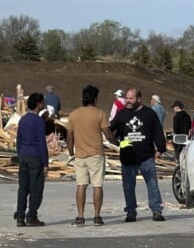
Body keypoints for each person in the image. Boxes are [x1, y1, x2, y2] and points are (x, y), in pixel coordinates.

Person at [110, 88, 167, 222]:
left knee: (152, 184)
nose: (127, 101)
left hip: (146, 156)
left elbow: (158, 131)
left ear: (139, 99)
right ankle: (131, 212)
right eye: (127, 98)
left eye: (131, 98)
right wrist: (114, 141)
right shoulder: (122, 114)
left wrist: (161, 148)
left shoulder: (149, 114)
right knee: (128, 186)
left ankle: (156, 210)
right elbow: (111, 130)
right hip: (128, 156)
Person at [66, 85, 115, 227]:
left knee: (81, 185)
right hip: (96, 154)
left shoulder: (74, 114)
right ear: (95, 98)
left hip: (80, 155)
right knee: (97, 185)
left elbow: (69, 137)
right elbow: (108, 135)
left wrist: (71, 152)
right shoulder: (100, 114)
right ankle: (97, 216)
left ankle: (80, 216)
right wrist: (120, 143)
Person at [14, 92, 49, 227]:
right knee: (36, 187)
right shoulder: (39, 121)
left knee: (23, 187)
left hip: (24, 155)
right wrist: (45, 163)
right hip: (35, 156)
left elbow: (19, 139)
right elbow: (41, 143)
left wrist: (20, 154)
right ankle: (31, 216)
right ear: (39, 104)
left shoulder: (23, 119)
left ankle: (20, 216)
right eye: (42, 102)